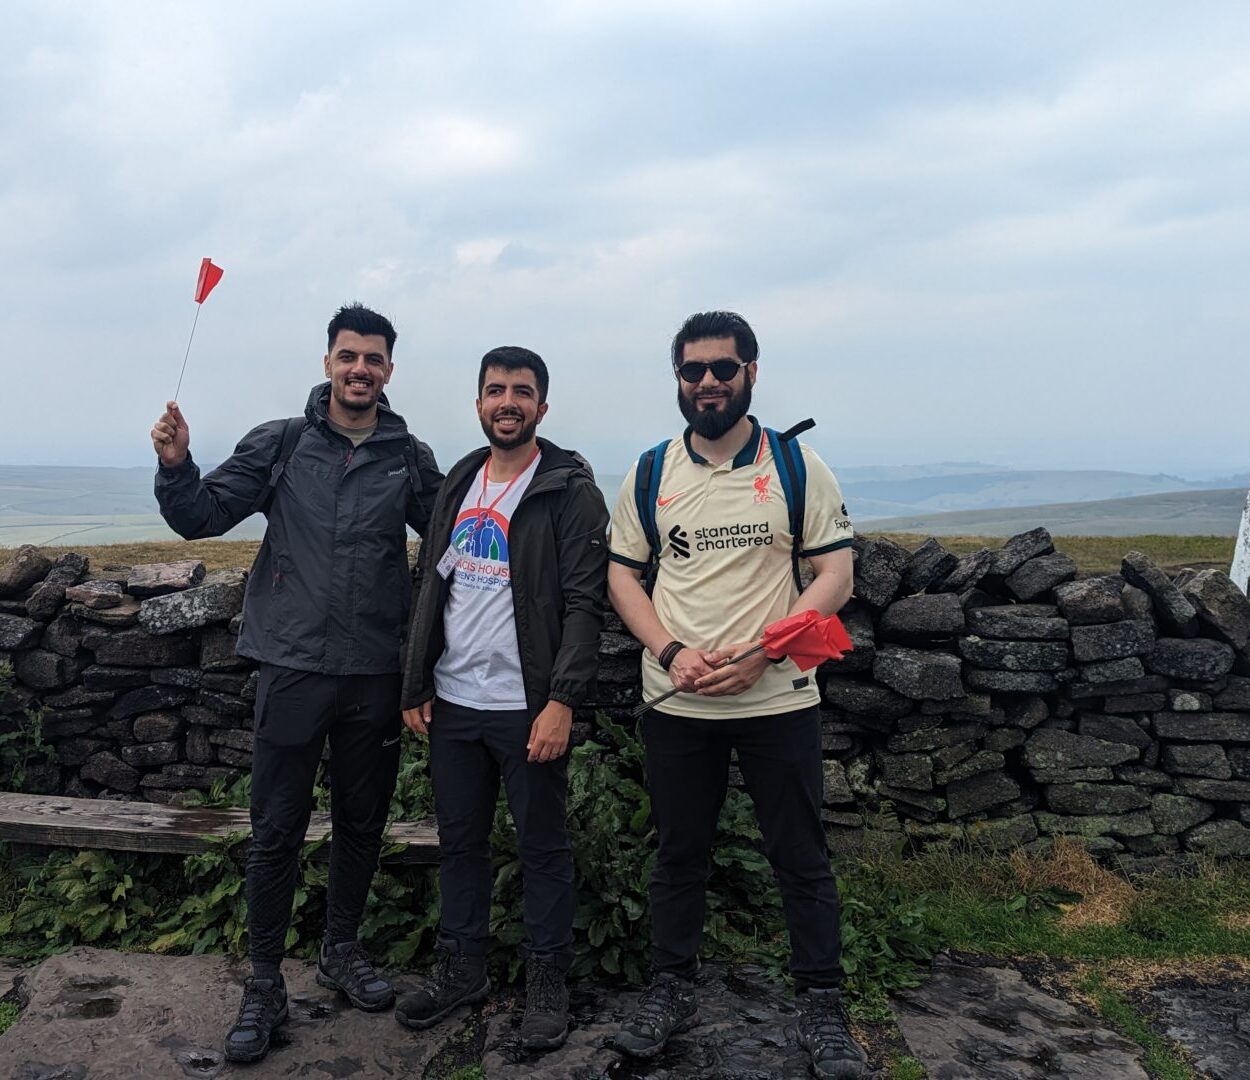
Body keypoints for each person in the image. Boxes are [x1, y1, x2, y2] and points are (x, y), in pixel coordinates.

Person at [150, 303, 444, 1064]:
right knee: (276, 829)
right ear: (328, 363)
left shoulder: (408, 456)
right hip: (291, 666)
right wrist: (178, 464)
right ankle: (263, 983)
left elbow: (455, 538)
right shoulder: (281, 444)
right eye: (349, 356)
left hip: (376, 673)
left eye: (373, 359)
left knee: (362, 822)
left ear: (388, 370)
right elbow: (201, 517)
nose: (360, 370)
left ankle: (340, 950)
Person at [605, 311, 865, 1078]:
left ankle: (822, 1003)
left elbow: (835, 575)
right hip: (678, 702)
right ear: (678, 381)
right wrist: (671, 651)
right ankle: (670, 991)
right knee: (679, 855)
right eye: (694, 371)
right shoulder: (651, 471)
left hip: (778, 698)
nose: (709, 382)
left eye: (724, 368)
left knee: (800, 856)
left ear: (752, 372)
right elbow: (623, 572)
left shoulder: (796, 465)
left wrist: (762, 652)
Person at [396, 346, 608, 1049]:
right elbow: (435, 583)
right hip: (455, 701)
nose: (507, 401)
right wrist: (417, 681)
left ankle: (549, 985)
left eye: (522, 391)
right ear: (479, 402)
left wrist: (562, 700)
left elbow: (584, 603)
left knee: (542, 846)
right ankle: (463, 971)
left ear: (542, 406)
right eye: (495, 390)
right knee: (460, 843)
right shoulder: (461, 478)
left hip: (528, 704)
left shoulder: (567, 489)